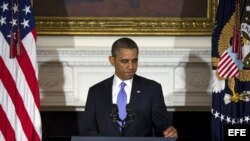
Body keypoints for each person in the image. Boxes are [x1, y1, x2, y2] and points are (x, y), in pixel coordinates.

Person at [83, 37, 178, 138]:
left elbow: (162, 128)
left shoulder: (152, 89)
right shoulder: (96, 92)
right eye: (125, 61)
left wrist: (169, 132)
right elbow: (88, 132)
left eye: (134, 61)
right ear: (112, 60)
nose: (131, 66)